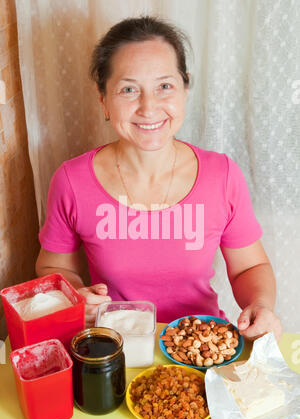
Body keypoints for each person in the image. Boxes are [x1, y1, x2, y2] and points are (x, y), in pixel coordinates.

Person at [36, 16, 282, 342]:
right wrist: (76, 295)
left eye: (164, 86)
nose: (149, 108)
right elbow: (53, 267)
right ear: (103, 100)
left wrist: (260, 304)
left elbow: (248, 268)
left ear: (184, 88)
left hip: (202, 347)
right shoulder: (71, 180)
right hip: (115, 346)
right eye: (128, 89)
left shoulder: (222, 176)